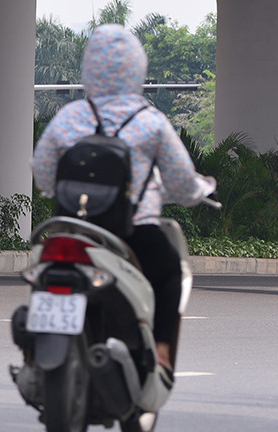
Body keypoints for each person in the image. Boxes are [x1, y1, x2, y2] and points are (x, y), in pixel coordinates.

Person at [32, 24, 216, 375]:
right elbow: (180, 183)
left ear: (89, 68)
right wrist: (200, 190)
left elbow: (42, 172)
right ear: (137, 69)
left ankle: (35, 353)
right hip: (131, 231)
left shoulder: (69, 117)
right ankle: (161, 351)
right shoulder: (151, 122)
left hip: (73, 230)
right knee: (169, 274)